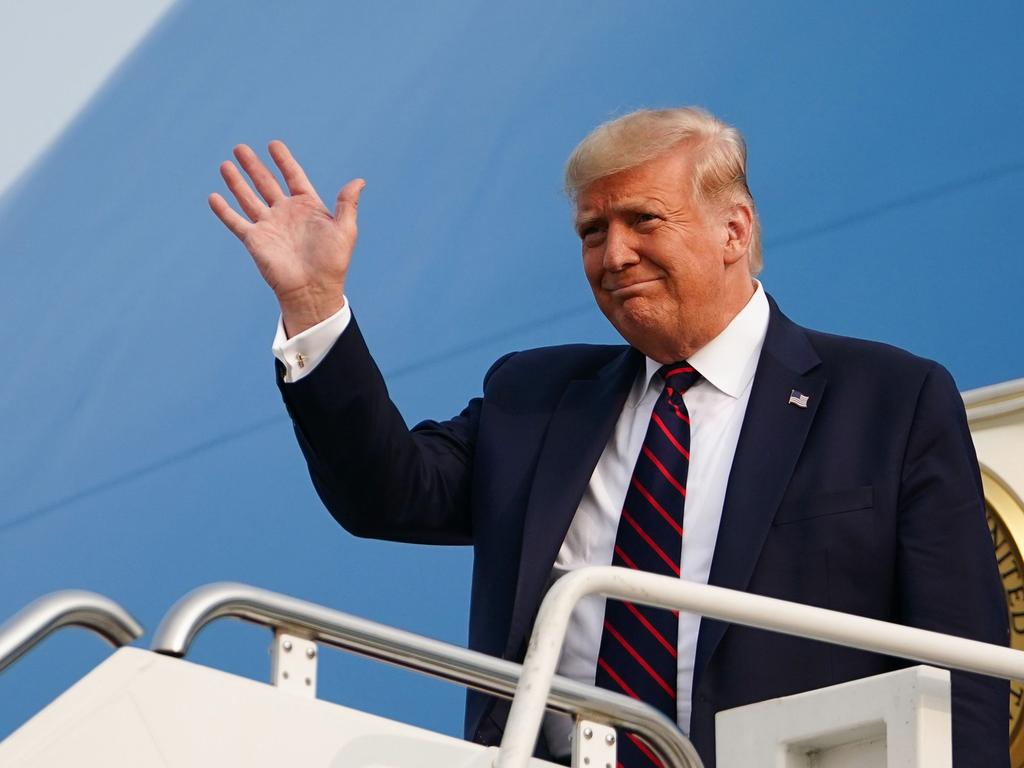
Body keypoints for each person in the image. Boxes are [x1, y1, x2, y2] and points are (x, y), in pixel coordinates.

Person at [210, 107, 1008, 767]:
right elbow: (385, 494)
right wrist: (314, 303)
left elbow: (963, 666)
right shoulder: (538, 399)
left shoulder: (889, 401)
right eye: (593, 231)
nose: (614, 254)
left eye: (642, 221)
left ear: (735, 230)